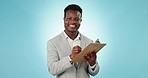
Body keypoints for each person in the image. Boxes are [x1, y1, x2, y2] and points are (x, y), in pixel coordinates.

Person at [47, 4, 99, 78]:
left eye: (76, 19)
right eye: (69, 18)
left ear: (80, 21)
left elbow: (94, 73)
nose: (72, 22)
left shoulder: (89, 42)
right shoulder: (53, 42)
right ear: (64, 19)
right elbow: (52, 69)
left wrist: (92, 64)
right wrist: (70, 58)